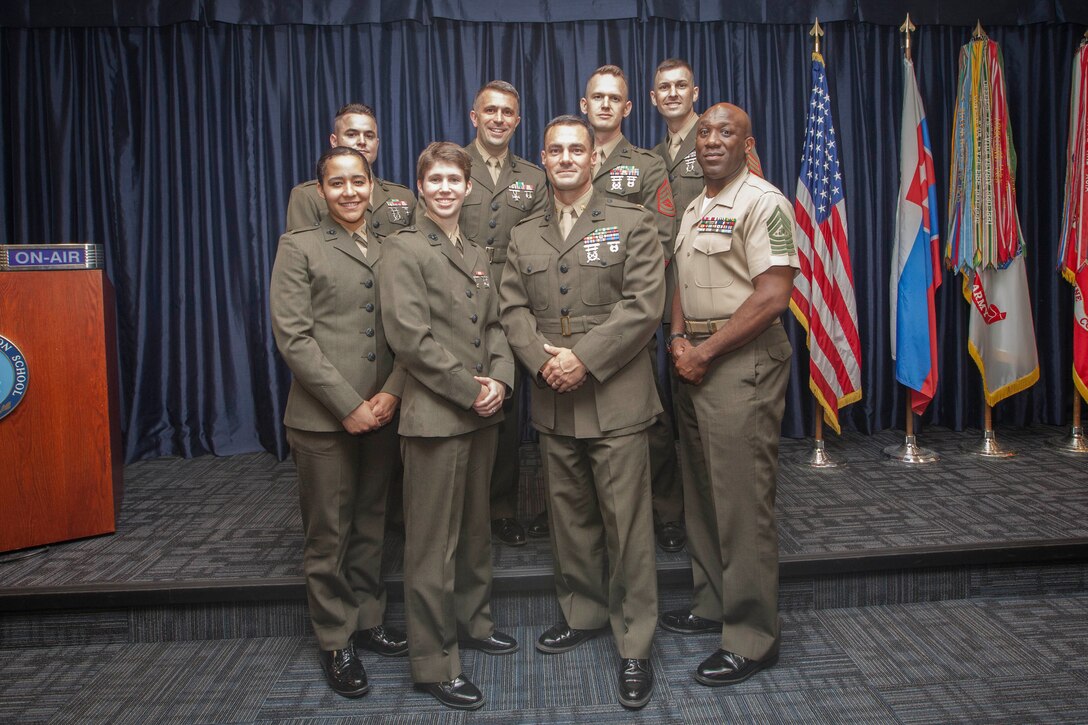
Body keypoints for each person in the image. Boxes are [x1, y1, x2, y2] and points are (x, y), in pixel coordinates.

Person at [499, 115, 664, 709]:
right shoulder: (524, 233)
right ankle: (584, 613)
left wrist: (584, 359)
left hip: (615, 396)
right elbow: (511, 308)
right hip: (553, 394)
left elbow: (644, 306)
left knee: (627, 526)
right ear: (543, 159)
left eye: (577, 149)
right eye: (556, 150)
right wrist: (540, 361)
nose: (566, 158)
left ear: (595, 158)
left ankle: (635, 643)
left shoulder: (632, 220)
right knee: (569, 521)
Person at [660, 103, 797, 687]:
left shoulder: (764, 202)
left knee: (741, 501)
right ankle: (713, 602)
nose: (712, 140)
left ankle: (751, 637)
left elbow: (772, 298)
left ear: (748, 143)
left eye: (727, 132)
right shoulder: (696, 205)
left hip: (741, 363)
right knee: (702, 492)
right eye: (706, 132)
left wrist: (704, 353)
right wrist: (676, 338)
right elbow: (682, 280)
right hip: (693, 359)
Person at [380, 142, 517, 711]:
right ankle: (435, 662)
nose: (444, 189)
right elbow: (410, 340)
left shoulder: (477, 251)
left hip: (482, 413)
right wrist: (472, 390)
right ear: (420, 187)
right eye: (434, 179)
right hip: (437, 416)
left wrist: (501, 380)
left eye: (453, 180)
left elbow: (496, 326)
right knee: (433, 546)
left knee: (475, 531)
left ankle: (474, 622)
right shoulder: (403, 247)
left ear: (468, 188)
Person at [270, 146, 408, 698]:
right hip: (323, 418)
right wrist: (348, 404)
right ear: (321, 190)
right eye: (337, 183)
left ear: (372, 186)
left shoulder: (394, 245)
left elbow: (410, 328)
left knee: (372, 522)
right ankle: (335, 639)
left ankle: (368, 619)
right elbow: (293, 337)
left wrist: (392, 392)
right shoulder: (299, 245)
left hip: (384, 410)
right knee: (329, 532)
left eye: (358, 181)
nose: (349, 192)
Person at [579, 64, 684, 553]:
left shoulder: (646, 166)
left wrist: (624, 296)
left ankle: (665, 509)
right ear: (584, 105)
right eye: (597, 97)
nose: (604, 104)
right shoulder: (568, 155)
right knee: (578, 412)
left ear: (627, 107)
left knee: (647, 414)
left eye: (613, 98)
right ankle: (588, 510)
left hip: (626, 309)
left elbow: (661, 238)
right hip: (572, 308)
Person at [459, 81, 548, 547]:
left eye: (507, 112)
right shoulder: (452, 165)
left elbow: (541, 240)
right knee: (458, 396)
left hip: (513, 297)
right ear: (474, 117)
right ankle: (460, 508)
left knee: (507, 406)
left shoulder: (533, 177)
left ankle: (501, 508)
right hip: (457, 298)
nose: (498, 119)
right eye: (489, 110)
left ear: (517, 121)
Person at [285, 103, 416, 238]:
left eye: (369, 136)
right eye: (352, 134)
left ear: (377, 143)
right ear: (334, 141)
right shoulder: (307, 196)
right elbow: (304, 247)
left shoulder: (403, 196)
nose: (362, 141)